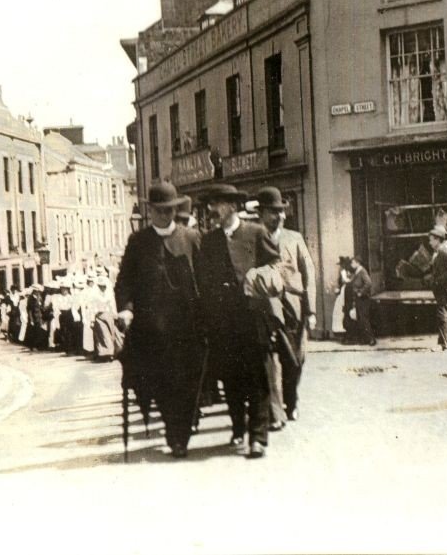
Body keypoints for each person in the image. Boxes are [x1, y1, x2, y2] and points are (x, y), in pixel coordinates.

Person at [114, 180, 204, 459]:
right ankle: (173, 434)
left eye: (169, 210)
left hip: (187, 328)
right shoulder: (138, 242)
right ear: (150, 211)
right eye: (159, 210)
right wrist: (126, 309)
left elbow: (204, 279)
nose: (164, 215)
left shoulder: (191, 238)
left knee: (188, 384)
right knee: (163, 385)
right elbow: (124, 281)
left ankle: (183, 434)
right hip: (151, 330)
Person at [197, 183, 281, 459]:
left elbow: (275, 265)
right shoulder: (208, 241)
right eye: (209, 205)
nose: (211, 210)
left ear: (231, 206)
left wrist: (260, 278)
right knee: (231, 379)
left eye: (216, 204)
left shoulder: (256, 233)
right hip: (223, 324)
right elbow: (203, 282)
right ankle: (237, 427)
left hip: (254, 318)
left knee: (257, 378)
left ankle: (258, 437)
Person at [256, 186, 316, 427]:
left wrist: (311, 310)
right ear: (261, 213)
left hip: (293, 307)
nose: (280, 216)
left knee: (295, 360)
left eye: (281, 212)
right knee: (268, 362)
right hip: (265, 307)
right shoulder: (253, 237)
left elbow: (309, 272)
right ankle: (275, 411)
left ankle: (291, 402)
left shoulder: (295, 238)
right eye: (273, 212)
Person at [348, 256, 376, 346]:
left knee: (364, 319)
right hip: (359, 298)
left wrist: (361, 292)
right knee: (360, 318)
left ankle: (371, 339)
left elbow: (368, 283)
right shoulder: (357, 272)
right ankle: (365, 339)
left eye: (353, 263)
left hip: (363, 299)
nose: (351, 265)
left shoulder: (362, 271)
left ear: (357, 263)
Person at [331, 256, 353, 337]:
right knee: (342, 310)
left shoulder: (344, 271)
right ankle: (343, 330)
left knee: (341, 309)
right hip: (345, 290)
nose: (340, 266)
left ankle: (343, 330)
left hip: (345, 290)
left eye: (341, 264)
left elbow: (345, 281)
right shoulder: (348, 271)